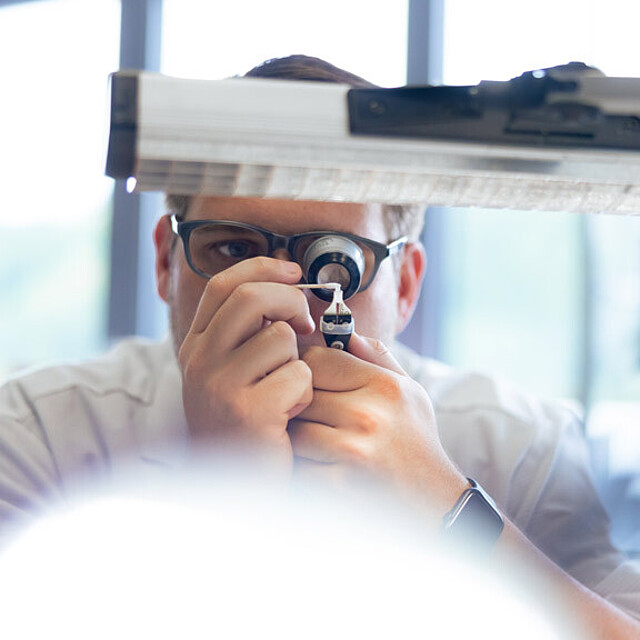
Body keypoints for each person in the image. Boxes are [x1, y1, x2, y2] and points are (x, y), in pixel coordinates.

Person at [0, 55, 638, 637]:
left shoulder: (525, 447)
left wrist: (451, 509)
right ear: (167, 262)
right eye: (231, 251)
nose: (278, 305)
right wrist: (226, 492)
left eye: (334, 265)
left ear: (407, 284)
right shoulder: (39, 433)